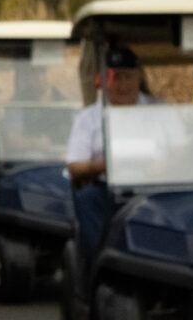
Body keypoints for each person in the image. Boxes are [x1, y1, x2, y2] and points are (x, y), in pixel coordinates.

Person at [65, 45, 151, 262]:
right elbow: (75, 167)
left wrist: (161, 165)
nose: (122, 85)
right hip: (108, 189)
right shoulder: (88, 118)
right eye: (116, 78)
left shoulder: (159, 110)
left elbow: (179, 152)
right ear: (104, 80)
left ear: (138, 78)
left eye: (128, 77)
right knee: (87, 198)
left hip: (153, 187)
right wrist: (107, 164)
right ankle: (102, 265)